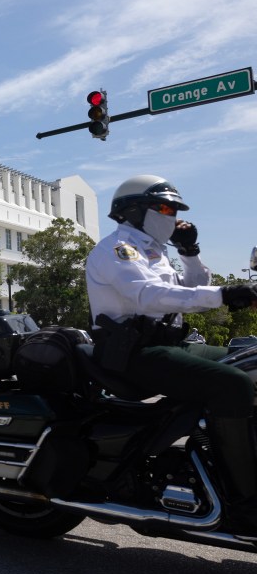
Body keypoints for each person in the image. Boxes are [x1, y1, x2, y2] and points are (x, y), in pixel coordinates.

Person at [86, 174, 257, 530]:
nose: (172, 216)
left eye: (174, 209)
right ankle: (245, 500)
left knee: (251, 360)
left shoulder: (153, 252)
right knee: (233, 385)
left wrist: (190, 252)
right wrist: (223, 294)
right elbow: (149, 296)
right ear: (134, 210)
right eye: (165, 207)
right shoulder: (118, 249)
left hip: (169, 344)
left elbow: (193, 288)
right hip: (133, 353)